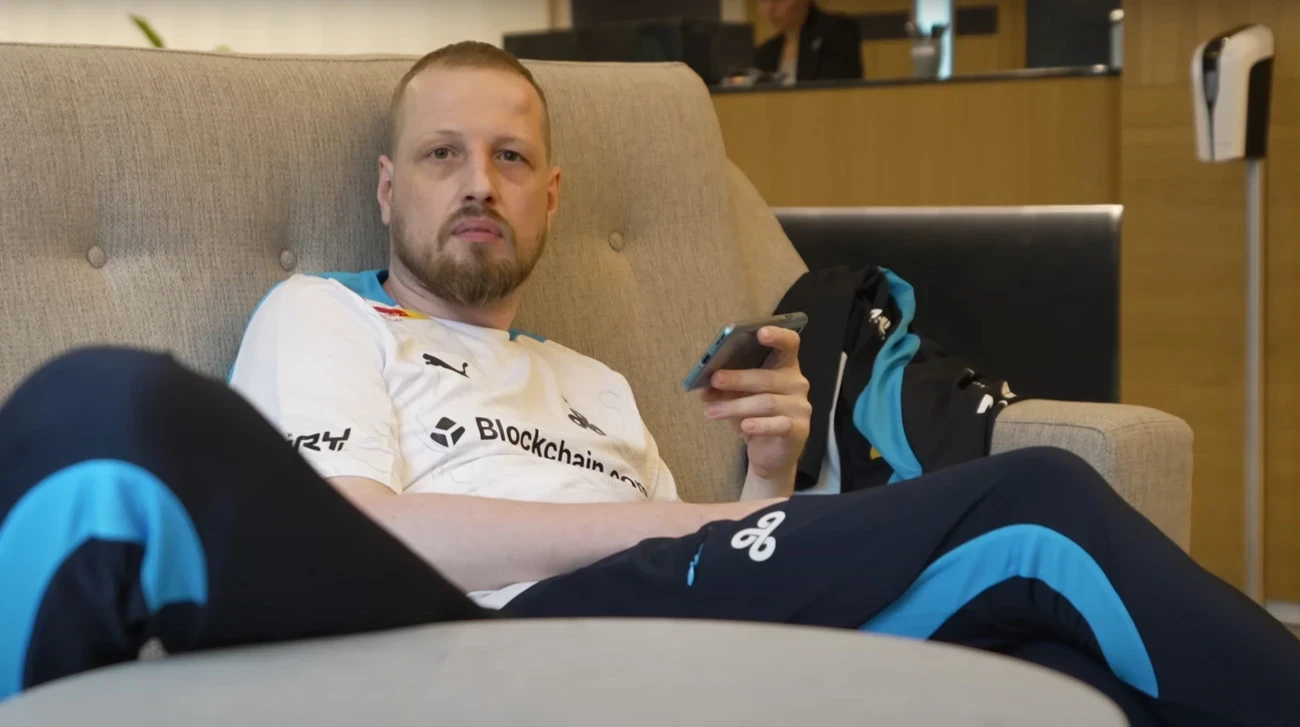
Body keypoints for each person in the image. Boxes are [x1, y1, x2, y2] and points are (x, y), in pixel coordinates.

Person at [1, 41, 1297, 726]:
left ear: (551, 195)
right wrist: (700, 520)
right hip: (493, 636)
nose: (478, 181)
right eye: (442, 154)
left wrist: (770, 478)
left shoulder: (594, 382)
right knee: (1035, 509)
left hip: (655, 624)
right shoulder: (325, 315)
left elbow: (710, 575)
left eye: (511, 157)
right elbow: (367, 527)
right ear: (390, 189)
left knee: (1065, 667)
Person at [753, 0, 863, 84]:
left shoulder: (838, 31)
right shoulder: (765, 52)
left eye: (779, 0)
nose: (769, 9)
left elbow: (837, 92)